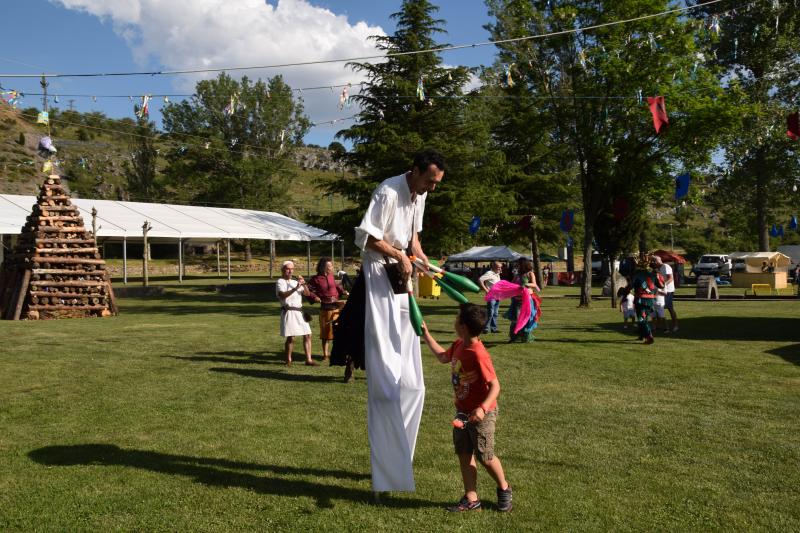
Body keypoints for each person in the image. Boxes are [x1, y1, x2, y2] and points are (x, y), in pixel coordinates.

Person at [353, 148, 446, 495]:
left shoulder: (419, 195)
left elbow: (413, 240)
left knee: (414, 386)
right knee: (387, 384)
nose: (432, 188)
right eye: (429, 181)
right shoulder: (388, 191)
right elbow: (367, 237)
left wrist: (423, 260)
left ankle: (399, 460)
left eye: (436, 183)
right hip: (380, 277)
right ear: (415, 170)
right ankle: (386, 473)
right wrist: (397, 254)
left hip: (402, 279)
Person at [420, 304, 513, 513]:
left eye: (457, 318)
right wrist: (426, 334)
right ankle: (472, 498)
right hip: (462, 412)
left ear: (463, 326)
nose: (454, 321)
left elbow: (495, 386)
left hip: (482, 413)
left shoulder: (479, 354)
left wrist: (482, 409)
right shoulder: (459, 344)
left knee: (485, 456)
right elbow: (443, 357)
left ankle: (504, 488)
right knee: (464, 453)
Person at [275, 260, 317, 366]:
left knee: (307, 334)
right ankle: (288, 360)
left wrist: (304, 283)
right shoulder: (280, 281)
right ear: (282, 270)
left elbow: (307, 294)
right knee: (291, 337)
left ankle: (308, 360)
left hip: (299, 312)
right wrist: (295, 288)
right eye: (288, 269)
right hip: (288, 311)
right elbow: (282, 295)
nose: (290, 271)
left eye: (292, 269)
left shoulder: (295, 282)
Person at [307, 257, 348, 361]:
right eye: (330, 266)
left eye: (332, 265)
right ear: (323, 267)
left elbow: (336, 286)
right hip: (325, 308)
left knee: (339, 331)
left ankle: (338, 353)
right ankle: (325, 355)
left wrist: (343, 291)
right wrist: (314, 297)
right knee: (326, 333)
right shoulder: (315, 279)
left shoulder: (331, 276)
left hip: (337, 307)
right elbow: (308, 290)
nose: (332, 267)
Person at [505, 257, 540, 343]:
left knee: (526, 318)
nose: (517, 266)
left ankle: (526, 337)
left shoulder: (530, 273)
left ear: (524, 265)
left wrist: (526, 284)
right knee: (515, 319)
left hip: (527, 300)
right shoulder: (517, 275)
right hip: (517, 300)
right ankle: (514, 337)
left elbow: (534, 284)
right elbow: (512, 283)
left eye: (519, 264)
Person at [631, 256, 664, 344]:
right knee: (644, 318)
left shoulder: (637, 275)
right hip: (650, 301)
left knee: (641, 319)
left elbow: (630, 286)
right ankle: (642, 335)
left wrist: (624, 291)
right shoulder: (653, 274)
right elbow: (662, 285)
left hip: (640, 300)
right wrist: (658, 275)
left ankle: (649, 336)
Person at [652, 255, 678, 332]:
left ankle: (675, 325)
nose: (653, 263)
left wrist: (663, 285)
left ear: (657, 261)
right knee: (659, 308)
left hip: (669, 290)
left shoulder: (666, 266)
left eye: (654, 261)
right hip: (662, 290)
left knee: (670, 308)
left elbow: (670, 278)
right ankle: (659, 326)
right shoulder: (658, 269)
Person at [478, 261, 503, 334]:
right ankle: (485, 329)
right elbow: (480, 279)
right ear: (493, 267)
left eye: (500, 267)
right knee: (490, 313)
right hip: (491, 296)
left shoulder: (497, 274)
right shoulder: (489, 273)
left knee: (495, 313)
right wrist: (486, 289)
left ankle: (493, 329)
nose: (500, 269)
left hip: (497, 296)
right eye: (498, 267)